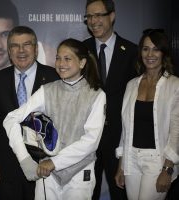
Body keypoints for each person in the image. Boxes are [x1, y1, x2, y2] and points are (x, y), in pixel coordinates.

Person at [3, 38, 106, 200]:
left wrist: (55, 162)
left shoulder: (96, 95)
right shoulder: (48, 90)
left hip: (79, 173)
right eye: (58, 58)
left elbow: (91, 141)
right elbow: (10, 119)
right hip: (47, 174)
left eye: (67, 58)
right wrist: (25, 160)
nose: (61, 63)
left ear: (82, 63)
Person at [0, 26, 59, 200]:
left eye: (26, 44)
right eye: (15, 46)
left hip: (44, 165)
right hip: (7, 165)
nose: (21, 51)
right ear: (9, 51)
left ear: (35, 48)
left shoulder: (53, 77)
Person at [114, 29, 179, 200]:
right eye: (145, 49)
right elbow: (125, 128)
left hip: (157, 161)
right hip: (131, 158)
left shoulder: (174, 85)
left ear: (163, 53)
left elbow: (177, 131)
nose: (150, 54)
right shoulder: (131, 85)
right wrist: (122, 165)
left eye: (156, 49)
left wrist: (168, 169)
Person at [83, 0, 138, 199]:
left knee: (120, 194)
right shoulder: (81, 51)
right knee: (87, 194)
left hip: (120, 140)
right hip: (87, 139)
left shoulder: (133, 52)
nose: (93, 21)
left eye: (98, 15)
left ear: (112, 16)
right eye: (89, 16)